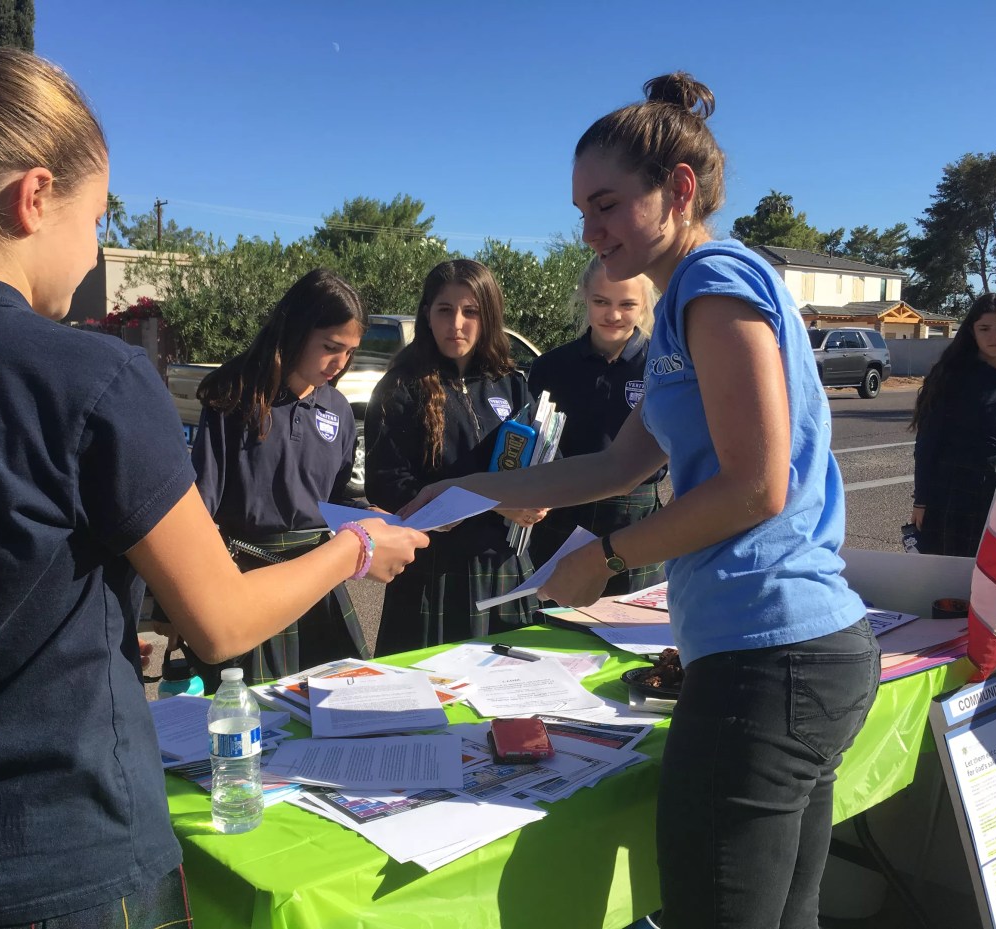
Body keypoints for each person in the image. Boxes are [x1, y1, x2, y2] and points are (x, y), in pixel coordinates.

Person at [0, 48, 425, 928]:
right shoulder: (88, 377)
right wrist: (355, 548)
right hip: (62, 873)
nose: (94, 250)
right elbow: (223, 618)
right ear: (35, 196)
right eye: (96, 220)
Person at [401, 73, 878, 928]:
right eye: (582, 209)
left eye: (608, 204)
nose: (589, 230)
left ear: (680, 191)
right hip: (788, 652)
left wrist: (609, 556)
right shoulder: (681, 314)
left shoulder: (713, 279)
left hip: (771, 655)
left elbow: (757, 485)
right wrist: (469, 489)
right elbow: (614, 465)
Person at [156, 268, 372, 688]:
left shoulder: (340, 410)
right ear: (295, 330)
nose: (339, 363)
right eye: (330, 347)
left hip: (316, 580)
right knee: (254, 715)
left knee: (328, 709)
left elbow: (341, 499)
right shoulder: (233, 397)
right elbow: (199, 507)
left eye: (350, 352)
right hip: (246, 581)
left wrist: (375, 517)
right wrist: (177, 607)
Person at [365, 259, 548, 655]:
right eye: (445, 310)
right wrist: (494, 504)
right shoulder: (400, 387)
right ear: (426, 314)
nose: (457, 324)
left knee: (509, 694)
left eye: (471, 311)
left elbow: (543, 459)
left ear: (489, 316)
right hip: (434, 574)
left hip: (506, 567)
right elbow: (387, 483)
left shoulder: (512, 384)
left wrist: (540, 498)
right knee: (432, 700)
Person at [527, 259, 665, 596]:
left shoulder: (662, 365)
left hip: (637, 520)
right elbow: (536, 442)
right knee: (556, 626)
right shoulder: (551, 367)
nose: (613, 315)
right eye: (601, 302)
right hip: (563, 512)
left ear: (644, 304)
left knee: (631, 630)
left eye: (627, 304)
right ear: (584, 297)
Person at [911, 293, 996, 557]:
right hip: (959, 492)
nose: (994, 337)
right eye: (984, 329)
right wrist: (922, 500)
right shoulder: (951, 376)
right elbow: (928, 443)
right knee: (957, 576)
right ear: (972, 331)